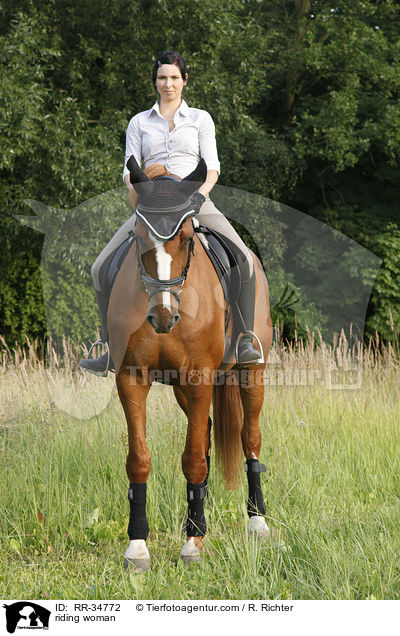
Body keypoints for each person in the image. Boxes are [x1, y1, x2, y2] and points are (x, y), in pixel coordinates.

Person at [79, 51, 261, 376]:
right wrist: (138, 202)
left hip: (194, 203)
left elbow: (213, 169)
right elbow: (128, 170)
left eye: (174, 78)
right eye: (162, 78)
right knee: (98, 267)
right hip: (151, 208)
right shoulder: (138, 122)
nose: (168, 84)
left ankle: (244, 339)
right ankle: (108, 346)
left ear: (185, 80)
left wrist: (198, 199)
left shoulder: (201, 119)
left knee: (244, 259)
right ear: (155, 81)